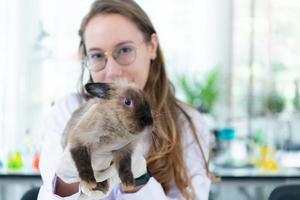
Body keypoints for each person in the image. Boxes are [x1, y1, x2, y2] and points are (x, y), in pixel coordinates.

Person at [37, 0, 212, 199]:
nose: (112, 71)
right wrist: (70, 176)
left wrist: (136, 182)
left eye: (125, 50)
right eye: (96, 55)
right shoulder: (67, 110)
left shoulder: (188, 123)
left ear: (152, 47)